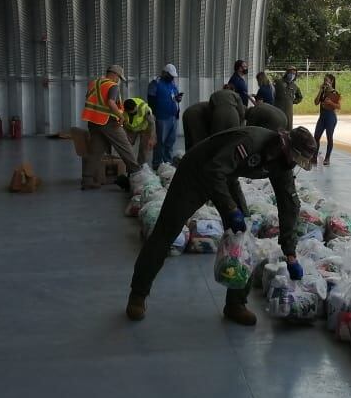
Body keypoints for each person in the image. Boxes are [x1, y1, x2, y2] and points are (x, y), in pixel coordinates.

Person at [127, 126, 318, 326]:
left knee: (243, 239)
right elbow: (212, 170)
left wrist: (290, 252)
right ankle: (138, 294)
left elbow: (289, 204)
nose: (295, 163)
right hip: (196, 172)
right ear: (285, 145)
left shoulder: (284, 164)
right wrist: (229, 208)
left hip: (225, 177)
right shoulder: (251, 142)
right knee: (166, 231)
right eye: (296, 157)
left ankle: (236, 304)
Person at [80, 64, 140, 189]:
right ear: (114, 75)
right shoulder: (112, 86)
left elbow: (90, 99)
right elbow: (110, 103)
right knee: (125, 146)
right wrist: (121, 116)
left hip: (93, 121)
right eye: (119, 77)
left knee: (95, 151)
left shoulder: (94, 83)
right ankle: (137, 174)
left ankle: (87, 180)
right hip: (108, 121)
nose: (119, 80)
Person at [147, 63, 183, 166]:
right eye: (170, 75)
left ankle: (168, 162)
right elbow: (151, 101)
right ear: (164, 73)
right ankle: (157, 164)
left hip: (172, 117)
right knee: (160, 143)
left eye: (173, 76)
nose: (172, 77)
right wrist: (153, 115)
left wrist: (178, 98)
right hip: (161, 118)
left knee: (170, 142)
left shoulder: (172, 84)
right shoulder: (155, 84)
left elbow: (174, 96)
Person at [313, 74, 341, 166]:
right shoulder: (323, 92)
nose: (325, 82)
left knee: (329, 137)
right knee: (316, 136)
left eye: (327, 80)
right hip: (322, 117)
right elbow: (316, 102)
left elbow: (338, 106)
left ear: (331, 82)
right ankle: (314, 156)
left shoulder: (334, 93)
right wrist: (320, 90)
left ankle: (327, 158)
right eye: (324, 80)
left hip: (330, 117)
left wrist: (331, 102)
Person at [122, 97, 156, 166]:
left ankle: (141, 167)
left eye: (135, 111)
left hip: (144, 128)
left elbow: (152, 123)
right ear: (126, 111)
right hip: (130, 128)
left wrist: (152, 137)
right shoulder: (122, 110)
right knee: (126, 146)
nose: (134, 113)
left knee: (144, 149)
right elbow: (121, 123)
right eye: (131, 113)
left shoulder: (144, 108)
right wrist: (125, 134)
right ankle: (129, 166)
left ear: (136, 106)